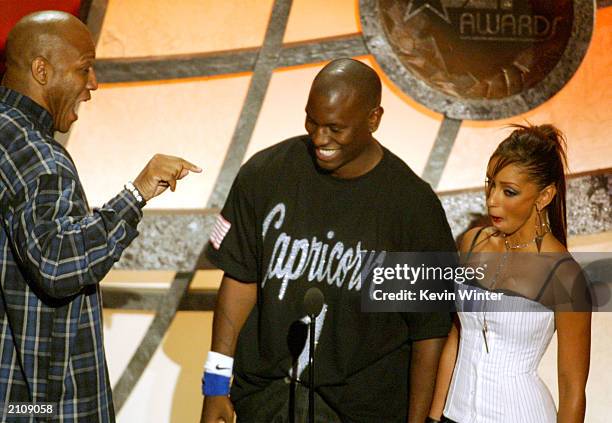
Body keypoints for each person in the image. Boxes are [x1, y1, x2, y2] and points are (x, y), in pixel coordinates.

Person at [200, 58, 456, 423]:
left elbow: (428, 335)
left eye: (336, 128)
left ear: (374, 119)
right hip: (266, 400)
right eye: (312, 122)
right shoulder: (265, 175)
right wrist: (215, 385)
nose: (320, 138)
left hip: (363, 410)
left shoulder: (411, 206)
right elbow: (240, 281)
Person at [0, 11, 201, 422]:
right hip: (43, 407)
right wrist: (137, 193)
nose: (93, 84)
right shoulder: (40, 158)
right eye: (84, 69)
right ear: (41, 69)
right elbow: (57, 265)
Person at [428, 124, 591, 423]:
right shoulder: (473, 242)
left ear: (544, 196)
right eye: (490, 184)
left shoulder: (565, 275)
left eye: (509, 191)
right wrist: (434, 418)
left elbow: (572, 389)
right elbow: (457, 337)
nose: (492, 199)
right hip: (454, 413)